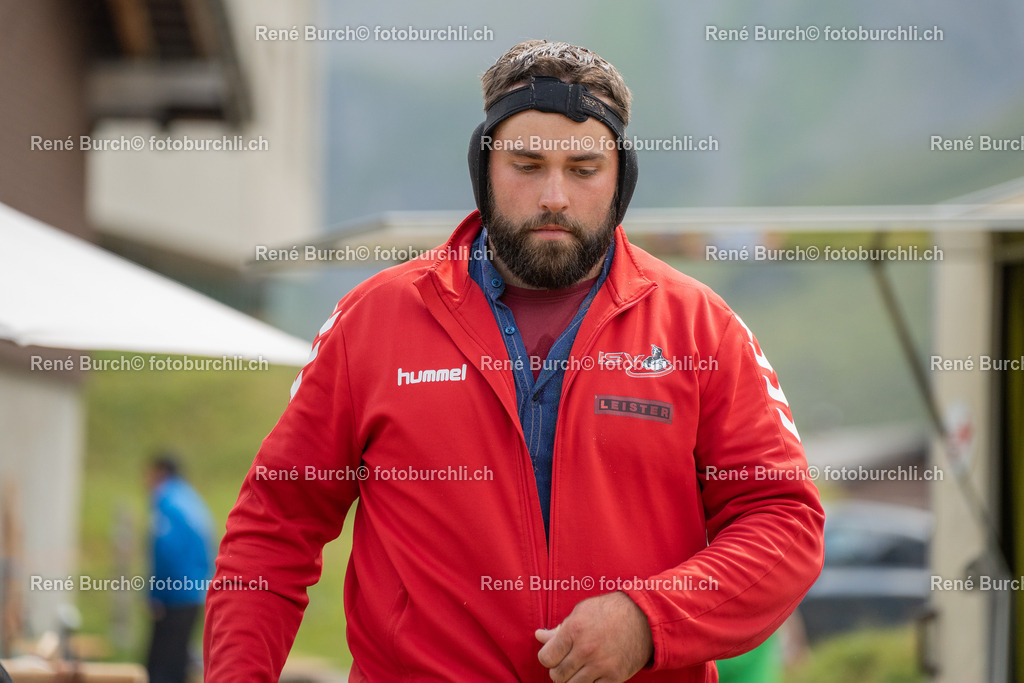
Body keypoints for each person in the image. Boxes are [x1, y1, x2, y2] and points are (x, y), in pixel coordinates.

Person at [204, 40, 825, 682]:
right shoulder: (373, 322)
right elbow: (275, 524)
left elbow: (784, 520)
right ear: (484, 170)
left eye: (584, 168)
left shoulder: (701, 329)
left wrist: (650, 619)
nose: (553, 195)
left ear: (621, 180)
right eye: (526, 165)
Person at [147, 453, 213, 683]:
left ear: (160, 472)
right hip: (195, 591)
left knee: (160, 667)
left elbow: (165, 551)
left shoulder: (166, 501)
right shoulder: (190, 499)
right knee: (177, 664)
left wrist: (156, 594)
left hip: (175, 594)